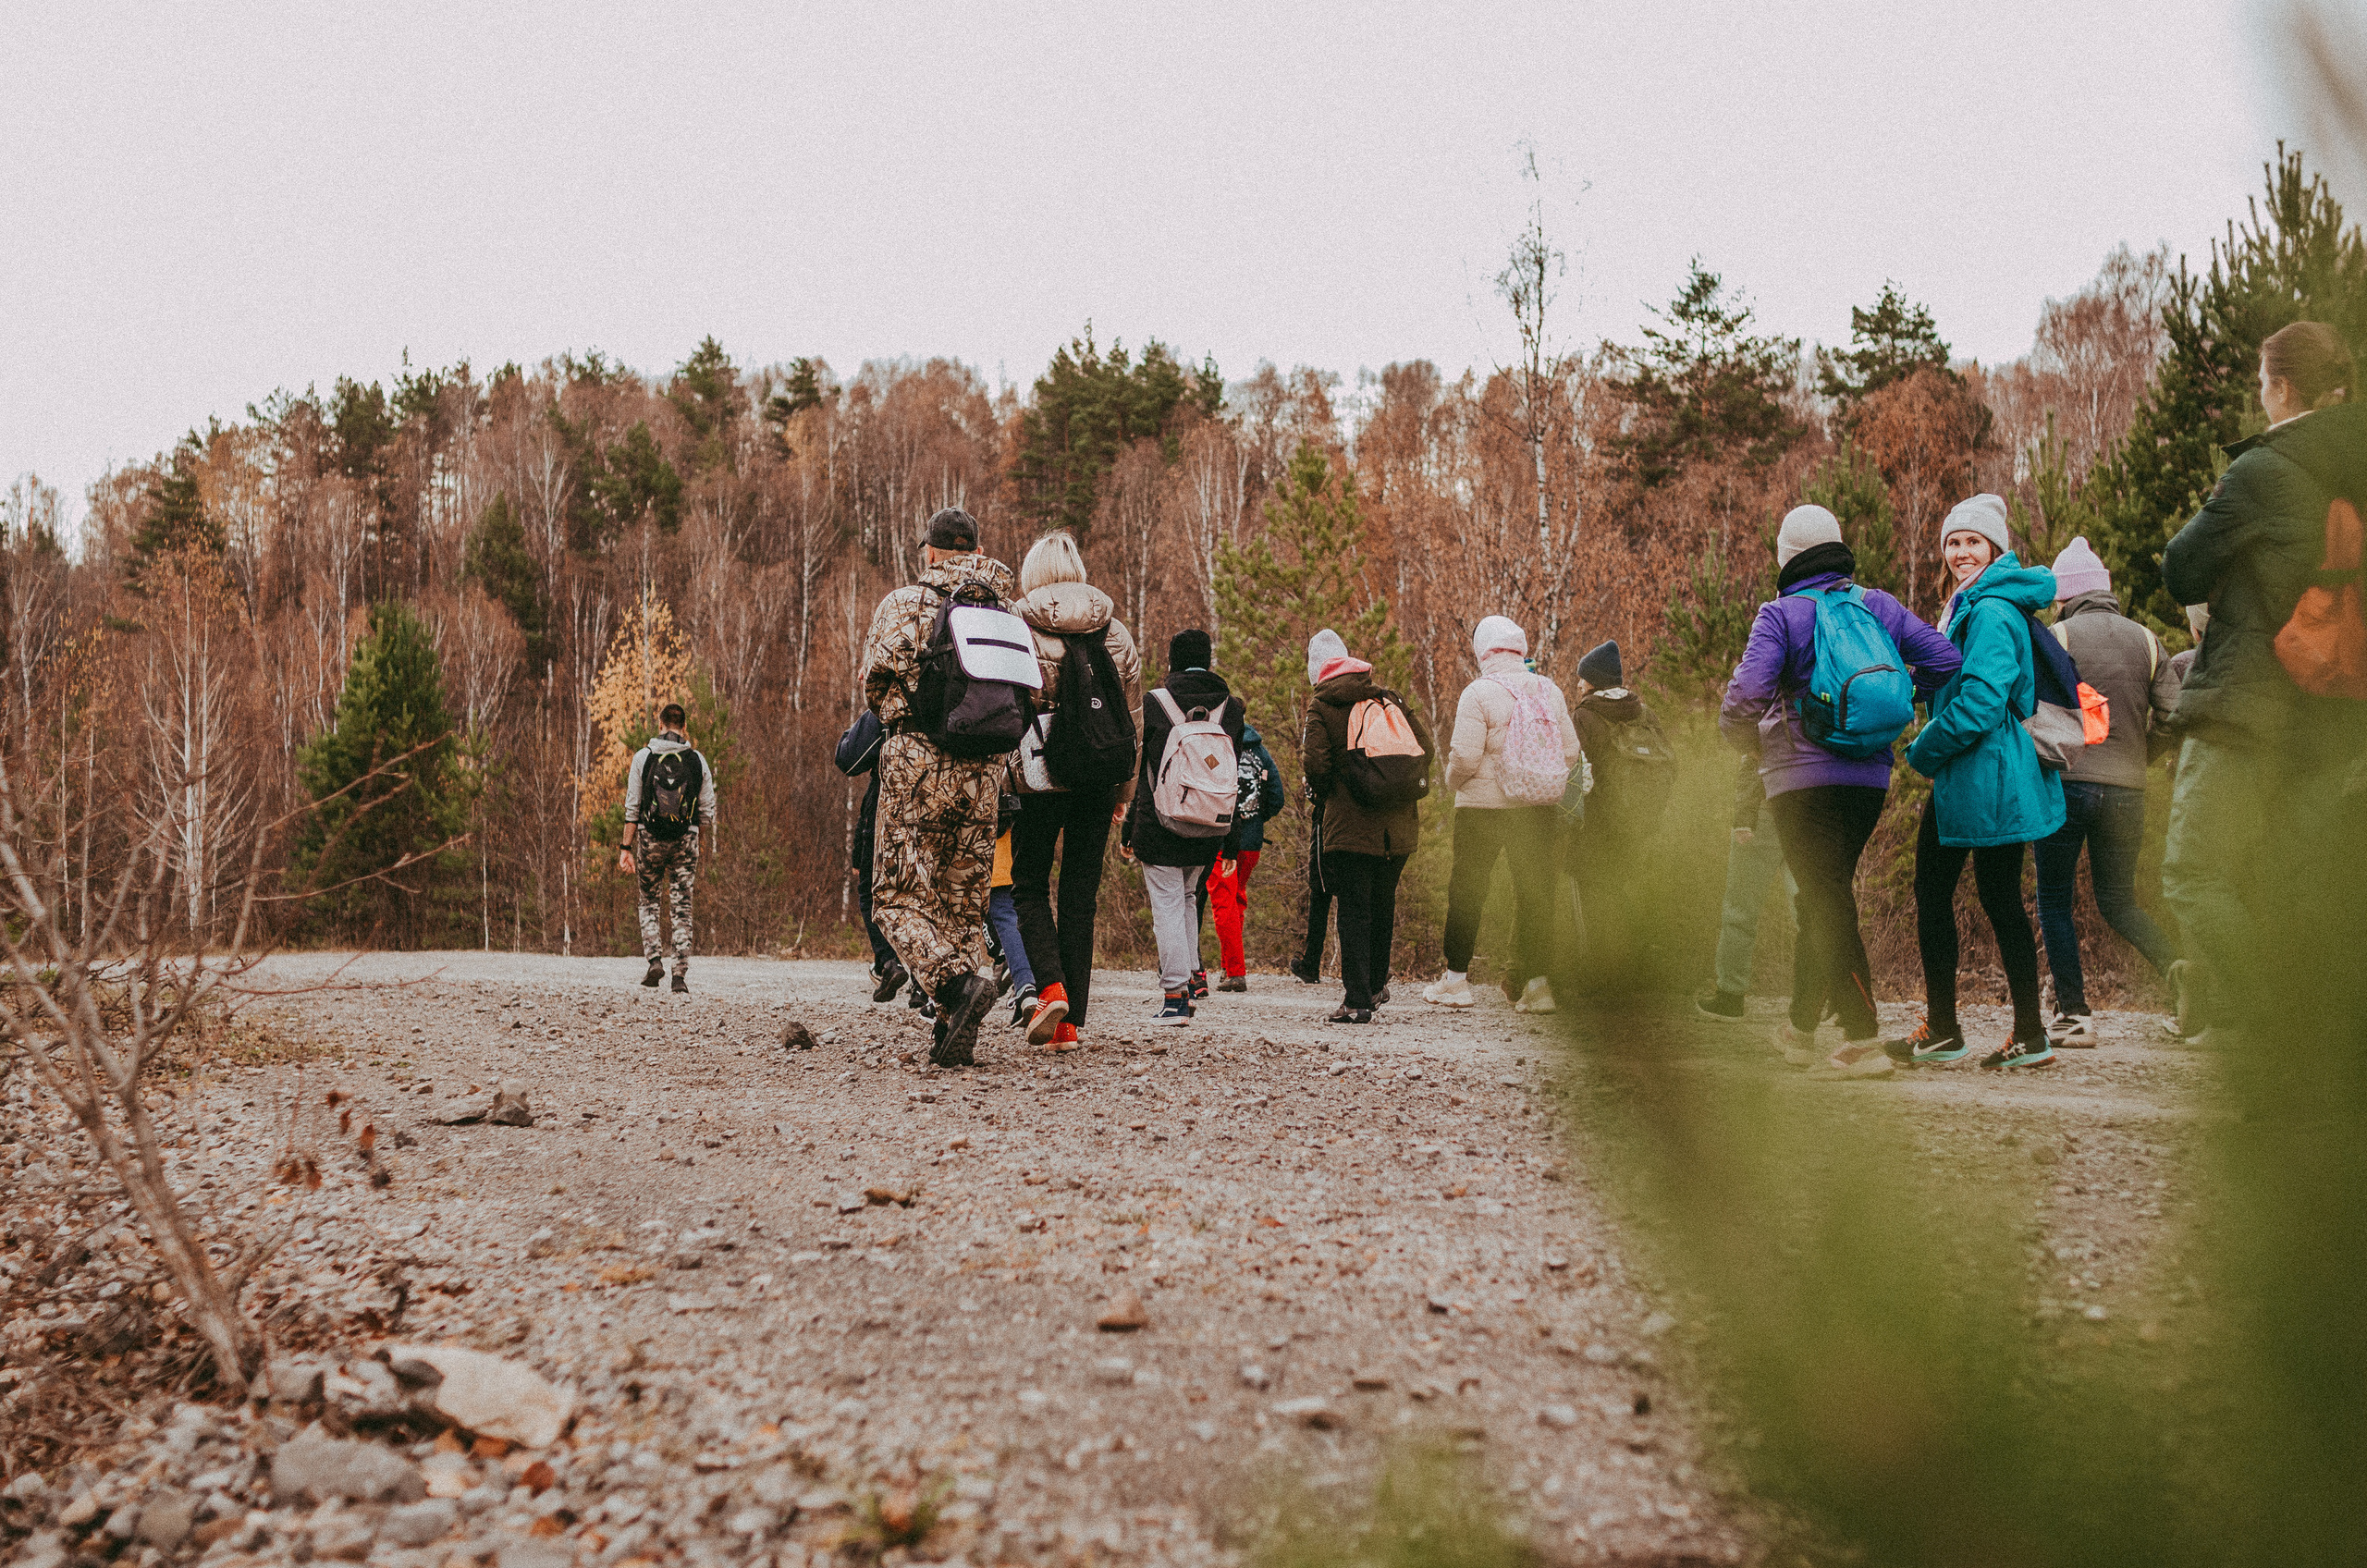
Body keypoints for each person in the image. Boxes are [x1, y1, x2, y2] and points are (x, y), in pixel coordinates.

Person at [2160, 321, 2367, 1039]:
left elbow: (2179, 566)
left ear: (2281, 388)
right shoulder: (2353, 468)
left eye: (2261, 384)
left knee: (2194, 874)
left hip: (2247, 706)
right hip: (2331, 718)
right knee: (2286, 890)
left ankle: (2276, 1046)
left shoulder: (2263, 470)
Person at [1721, 505, 1961, 1079]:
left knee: (1825, 896)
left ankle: (1861, 1036)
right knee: (1822, 893)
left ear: (1787, 556)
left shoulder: (1780, 615)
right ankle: (1802, 1029)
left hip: (1799, 781)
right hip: (1869, 778)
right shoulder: (1877, 605)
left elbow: (1743, 701)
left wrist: (1753, 745)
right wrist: (1902, 697)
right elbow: (1946, 659)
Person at [1886, 494, 2065, 1070]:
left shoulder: (1988, 611)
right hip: (1979, 772)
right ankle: (1996, 1031)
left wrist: (1924, 749)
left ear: (1994, 548)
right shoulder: (1972, 604)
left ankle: (1968, 1030)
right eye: (1953, 542)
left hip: (1983, 771)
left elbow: (1984, 700)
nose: (1961, 552)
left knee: (1970, 897)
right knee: (1973, 897)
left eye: (1973, 542)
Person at [859, 507, 1015, 1067]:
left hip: (917, 763)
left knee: (896, 895)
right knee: (962, 903)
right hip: (987, 772)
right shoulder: (1005, 610)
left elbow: (876, 683)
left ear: (928, 551)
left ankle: (953, 989)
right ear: (976, 550)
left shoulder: (905, 604)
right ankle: (953, 1027)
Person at [2032, 536, 2183, 1043]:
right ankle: (2184, 978)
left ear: (2066, 595)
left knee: (2053, 900)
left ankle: (2075, 1015)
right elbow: (2174, 714)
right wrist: (2142, 754)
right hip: (2128, 791)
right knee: (2119, 902)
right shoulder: (2146, 639)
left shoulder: (2059, 636)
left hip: (2068, 785)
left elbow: (2037, 708)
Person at [1007, 530, 1142, 1051]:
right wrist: (1125, 792)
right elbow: (1131, 720)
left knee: (1030, 885)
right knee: (1081, 894)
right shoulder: (1117, 632)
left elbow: (1011, 707)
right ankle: (1070, 1024)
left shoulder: (1019, 625)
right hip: (1099, 776)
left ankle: (1051, 989)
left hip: (1040, 776)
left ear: (1034, 574)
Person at [1425, 616, 1579, 1011]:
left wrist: (1454, 781)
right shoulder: (1550, 690)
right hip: (1538, 809)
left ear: (1483, 652)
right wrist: (1539, 780)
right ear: (1520, 648)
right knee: (1536, 895)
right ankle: (1538, 986)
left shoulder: (1478, 693)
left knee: (1468, 891)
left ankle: (1456, 981)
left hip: (1483, 809)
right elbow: (1570, 751)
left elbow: (1465, 755)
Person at [1304, 632, 1433, 1023]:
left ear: (1318, 671)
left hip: (1350, 829)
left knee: (1354, 911)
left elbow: (1316, 766)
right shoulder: (1388, 698)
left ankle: (1357, 1000)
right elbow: (1424, 746)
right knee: (1383, 906)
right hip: (1399, 829)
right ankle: (1375, 987)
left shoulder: (1323, 705)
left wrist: (1333, 796)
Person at [1123, 629, 1245, 1025]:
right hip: (1211, 824)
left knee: (1168, 904)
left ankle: (1175, 996)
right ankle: (1190, 983)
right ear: (1208, 661)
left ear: (1172, 661)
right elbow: (1231, 774)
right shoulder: (1233, 709)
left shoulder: (1154, 704)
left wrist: (1127, 825)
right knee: (1189, 897)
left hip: (1160, 823)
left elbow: (1142, 773)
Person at [1566, 639, 1674, 995]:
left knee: (1596, 898)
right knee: (1628, 893)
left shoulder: (1584, 716)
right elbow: (1670, 765)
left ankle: (1603, 981)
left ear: (1594, 681)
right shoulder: (1644, 713)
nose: (1579, 684)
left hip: (1598, 823)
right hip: (1641, 824)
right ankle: (1637, 976)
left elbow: (1574, 772)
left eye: (1583, 678)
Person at [619, 702, 717, 993]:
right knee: (682, 906)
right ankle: (679, 977)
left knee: (648, 900)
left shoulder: (643, 757)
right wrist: (694, 836)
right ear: (684, 728)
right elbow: (707, 813)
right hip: (686, 839)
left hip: (649, 839)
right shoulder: (697, 760)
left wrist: (626, 846)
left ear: (660, 725)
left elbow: (632, 807)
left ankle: (654, 961)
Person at [1695, 753, 1797, 1022]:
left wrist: (1743, 815)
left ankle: (1730, 997)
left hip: (1765, 807)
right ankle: (1834, 999)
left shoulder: (1767, 708)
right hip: (1811, 808)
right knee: (1812, 910)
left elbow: (1744, 736)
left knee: (1740, 910)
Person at [1199, 722, 1286, 991]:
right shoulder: (1260, 752)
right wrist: (1257, 821)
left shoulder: (1217, 749)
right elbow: (1277, 796)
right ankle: (1228, 967)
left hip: (1223, 839)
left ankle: (1236, 972)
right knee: (1236, 900)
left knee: (1223, 905)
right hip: (1252, 842)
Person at [833, 707, 909, 1004]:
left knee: (872, 893)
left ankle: (889, 961)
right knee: (922, 895)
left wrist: (853, 731)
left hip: (886, 806)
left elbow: (848, 758)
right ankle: (927, 981)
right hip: (939, 801)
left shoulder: (889, 702)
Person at [986, 792, 1038, 1029]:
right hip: (1017, 835)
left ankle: (1025, 985)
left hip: (989, 839)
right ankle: (1026, 984)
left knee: (1002, 913)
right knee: (1016, 914)